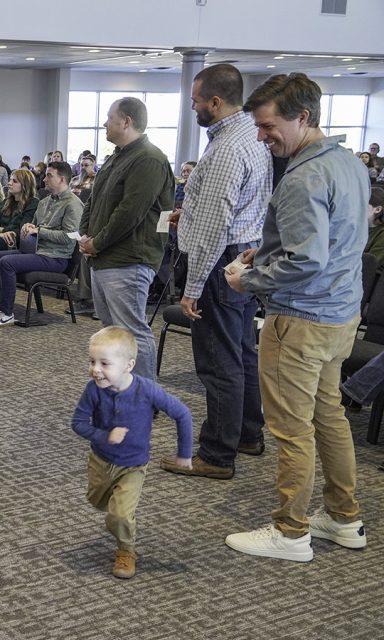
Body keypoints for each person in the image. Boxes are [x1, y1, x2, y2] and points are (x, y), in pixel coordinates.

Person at [224, 73, 369, 562]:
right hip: (339, 315)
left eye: (267, 127)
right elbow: (332, 244)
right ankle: (344, 519)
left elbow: (307, 260)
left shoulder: (302, 177)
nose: (262, 137)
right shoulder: (347, 162)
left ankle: (290, 533)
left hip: (301, 320)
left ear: (302, 117)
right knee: (329, 416)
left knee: (291, 429)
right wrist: (263, 257)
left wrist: (249, 280)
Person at [159, 64, 272, 482]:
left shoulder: (226, 149)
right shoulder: (249, 137)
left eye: (194, 101)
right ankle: (247, 434)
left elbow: (214, 227)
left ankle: (216, 454)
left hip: (218, 262)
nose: (193, 108)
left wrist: (190, 289)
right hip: (239, 257)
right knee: (242, 353)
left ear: (216, 102)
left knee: (217, 362)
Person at [71, 327, 192, 579]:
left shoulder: (147, 390)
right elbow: (78, 423)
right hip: (101, 460)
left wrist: (184, 454)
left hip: (133, 465)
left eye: (104, 363)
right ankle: (119, 518)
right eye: (92, 361)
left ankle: (126, 550)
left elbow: (182, 414)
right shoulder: (93, 389)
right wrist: (104, 436)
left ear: (129, 365)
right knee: (96, 500)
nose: (95, 369)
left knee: (119, 515)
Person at [79, 97, 175, 380]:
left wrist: (97, 242)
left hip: (129, 259)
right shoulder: (117, 156)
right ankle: (122, 390)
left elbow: (130, 212)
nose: (104, 123)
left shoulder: (148, 158)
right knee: (113, 333)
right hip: (105, 258)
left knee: (132, 332)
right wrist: (86, 235)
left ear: (126, 122)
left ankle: (144, 398)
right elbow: (94, 201)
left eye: (109, 118)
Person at [0, 161, 84, 328]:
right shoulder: (44, 202)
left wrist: (38, 231)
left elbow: (69, 238)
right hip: (36, 251)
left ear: (61, 179)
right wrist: (27, 227)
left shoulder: (73, 204)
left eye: (49, 176)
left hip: (56, 258)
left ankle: (7, 313)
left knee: (6, 262)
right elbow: (34, 226)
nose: (44, 179)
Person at [0, 169, 40, 268]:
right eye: (10, 180)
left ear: (25, 185)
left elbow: (22, 231)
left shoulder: (33, 203)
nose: (9, 183)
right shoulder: (6, 202)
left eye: (14, 181)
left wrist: (0, 229)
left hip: (13, 243)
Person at [364, 186, 384, 264]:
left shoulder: (381, 235)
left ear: (378, 209)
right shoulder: (357, 226)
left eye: (364, 204)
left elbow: (370, 264)